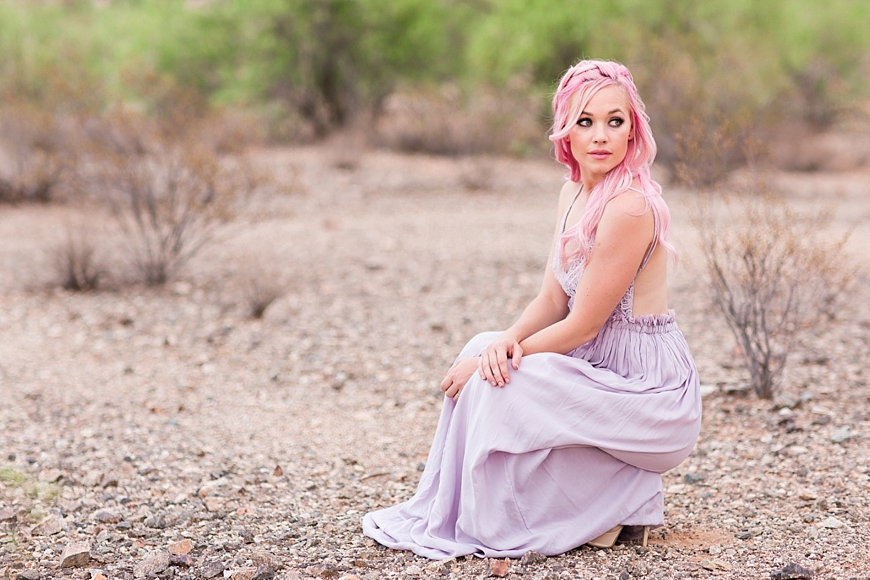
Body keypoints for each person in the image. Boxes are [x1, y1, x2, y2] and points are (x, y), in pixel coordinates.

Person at [361, 60, 702, 559]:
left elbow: (583, 323)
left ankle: (617, 498)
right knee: (483, 345)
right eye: (585, 121)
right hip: (595, 364)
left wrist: (492, 364)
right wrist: (500, 344)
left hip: (647, 391)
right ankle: (488, 509)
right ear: (566, 129)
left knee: (500, 377)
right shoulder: (573, 193)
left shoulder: (630, 207)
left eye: (615, 120)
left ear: (633, 129)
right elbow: (551, 299)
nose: (600, 135)